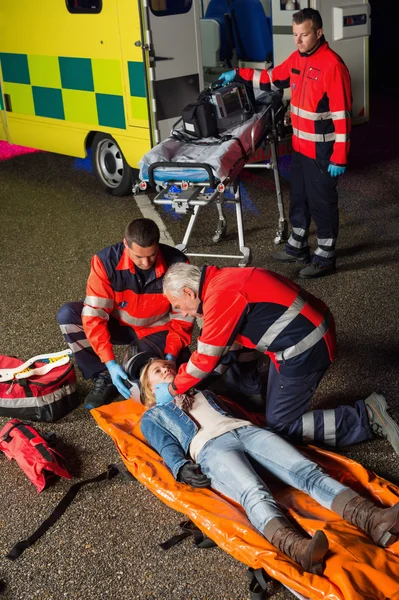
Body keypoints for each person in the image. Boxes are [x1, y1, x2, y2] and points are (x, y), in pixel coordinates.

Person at [139, 358, 399, 574]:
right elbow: (165, 446)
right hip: (210, 448)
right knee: (253, 491)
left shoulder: (203, 392)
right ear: (149, 388)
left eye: (168, 365)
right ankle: (299, 550)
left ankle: (374, 520)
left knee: (306, 471)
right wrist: (180, 466)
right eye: (157, 371)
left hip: (247, 432)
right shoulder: (153, 415)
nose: (166, 369)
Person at [153, 263, 399, 455]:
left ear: (188, 291)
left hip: (305, 348)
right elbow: (225, 343)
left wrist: (174, 388)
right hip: (308, 332)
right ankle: (258, 397)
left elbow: (205, 358)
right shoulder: (222, 280)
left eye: (179, 305)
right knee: (236, 360)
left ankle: (366, 416)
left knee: (281, 427)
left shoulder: (220, 298)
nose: (183, 312)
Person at [219, 8, 351, 278]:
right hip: (300, 148)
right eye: (295, 35)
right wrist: (237, 73)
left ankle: (325, 256)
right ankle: (298, 246)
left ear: (318, 32)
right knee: (299, 198)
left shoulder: (333, 66)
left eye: (304, 35)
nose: (298, 41)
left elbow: (342, 117)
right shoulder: (297, 59)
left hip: (322, 151)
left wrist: (339, 156)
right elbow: (270, 79)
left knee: (322, 202)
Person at [56, 218, 194, 410]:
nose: (146, 263)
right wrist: (109, 362)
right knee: (68, 316)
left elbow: (183, 318)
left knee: (178, 372)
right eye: (139, 257)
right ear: (125, 245)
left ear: (158, 246)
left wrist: (171, 353)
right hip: (118, 325)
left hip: (156, 330)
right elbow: (94, 316)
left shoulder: (177, 263)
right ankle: (102, 376)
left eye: (152, 255)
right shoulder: (105, 263)